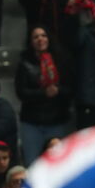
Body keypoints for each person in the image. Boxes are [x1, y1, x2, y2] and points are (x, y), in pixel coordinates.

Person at [15, 27, 73, 165]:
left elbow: (71, 88)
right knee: (33, 164)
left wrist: (58, 91)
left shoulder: (61, 61)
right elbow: (21, 92)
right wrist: (43, 93)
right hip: (32, 122)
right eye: (36, 37)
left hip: (57, 120)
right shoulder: (24, 63)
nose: (40, 39)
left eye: (43, 35)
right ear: (30, 42)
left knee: (59, 164)